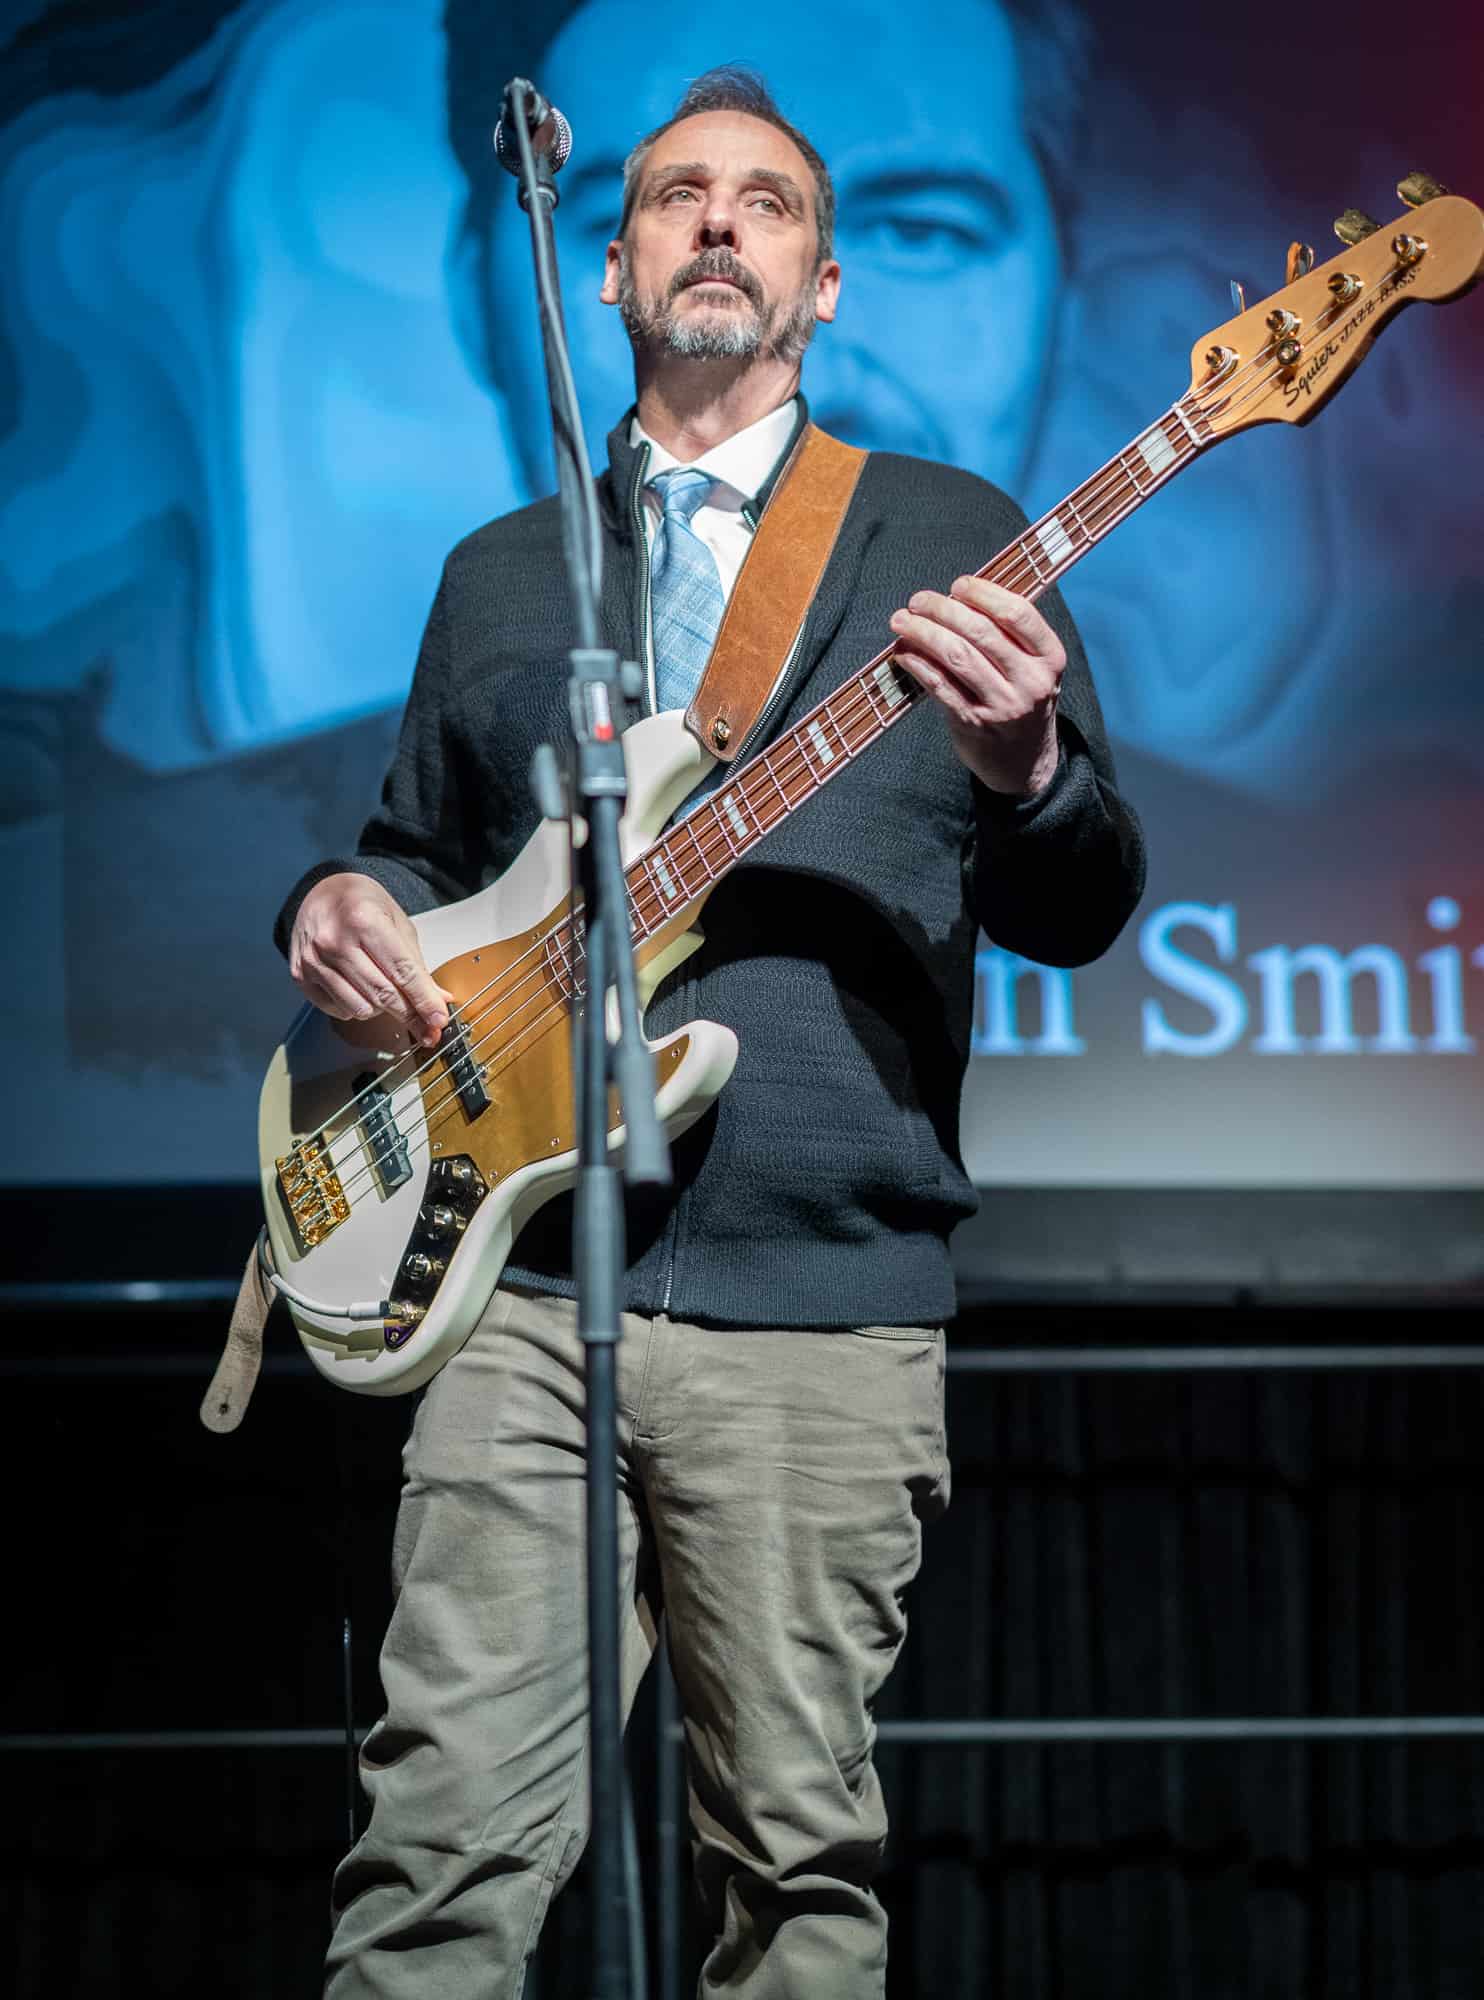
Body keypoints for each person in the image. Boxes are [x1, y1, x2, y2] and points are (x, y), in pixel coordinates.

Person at [278, 68, 1145, 1998]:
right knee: (435, 1855)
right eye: (679, 194)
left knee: (795, 1869)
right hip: (521, 1290)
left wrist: (1026, 772)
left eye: (767, 202)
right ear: (611, 267)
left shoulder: (948, 531)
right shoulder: (505, 569)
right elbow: (418, 856)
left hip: (818, 1299)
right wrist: (333, 904)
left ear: (823, 281)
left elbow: (1083, 902)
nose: (721, 224)